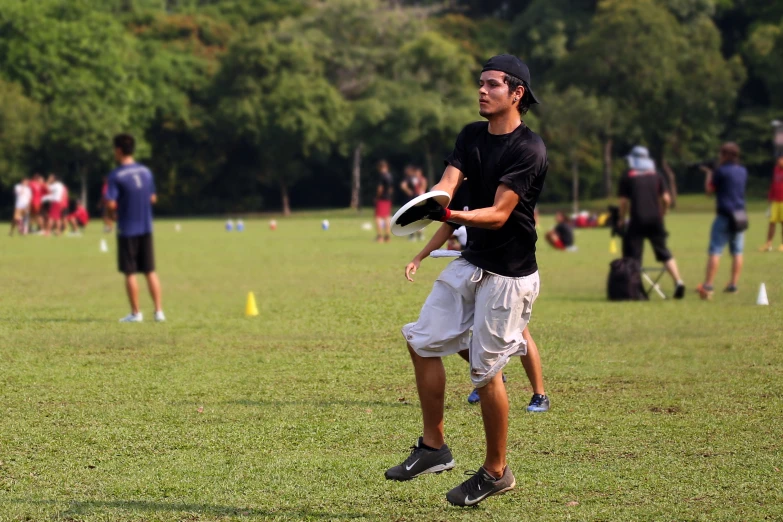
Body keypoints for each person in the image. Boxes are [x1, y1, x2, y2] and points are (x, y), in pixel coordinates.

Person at [385, 54, 547, 507]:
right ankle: (434, 447)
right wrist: (432, 207)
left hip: (510, 276)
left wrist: (451, 214)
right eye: (480, 83)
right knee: (421, 341)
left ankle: (497, 472)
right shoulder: (471, 136)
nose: (481, 90)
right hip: (472, 262)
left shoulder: (528, 149)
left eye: (492, 84)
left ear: (516, 94)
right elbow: (445, 186)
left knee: (486, 371)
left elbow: (497, 214)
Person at [405, 186, 550, 411]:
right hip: (475, 266)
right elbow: (447, 227)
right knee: (453, 329)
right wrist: (419, 257)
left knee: (522, 332)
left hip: (508, 271)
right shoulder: (464, 190)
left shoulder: (501, 186)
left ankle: (539, 394)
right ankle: (492, 377)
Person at [105, 134, 165, 323]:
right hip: (146, 227)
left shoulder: (116, 175)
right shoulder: (146, 172)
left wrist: (114, 213)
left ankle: (136, 313)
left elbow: (111, 203)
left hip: (127, 229)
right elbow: (153, 198)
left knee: (130, 272)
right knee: (150, 270)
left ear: (119, 150)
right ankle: (158, 312)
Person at [617, 146, 685, 299]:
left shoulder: (628, 175)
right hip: (656, 220)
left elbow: (623, 202)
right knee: (663, 251)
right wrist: (664, 211)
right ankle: (678, 281)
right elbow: (667, 199)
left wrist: (621, 219)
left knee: (633, 256)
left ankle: (636, 290)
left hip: (637, 220)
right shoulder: (657, 175)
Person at [696, 142, 748, 299]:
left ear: (725, 155)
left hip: (724, 215)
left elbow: (709, 190)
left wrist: (709, 173)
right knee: (737, 252)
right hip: (740, 215)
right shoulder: (742, 171)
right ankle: (733, 285)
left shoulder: (720, 171)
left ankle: (708, 285)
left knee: (715, 251)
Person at [760, 156, 783, 252]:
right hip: (775, 201)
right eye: (778, 160)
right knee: (772, 222)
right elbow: (773, 183)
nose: (779, 162)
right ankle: (768, 243)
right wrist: (770, 196)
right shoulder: (775, 169)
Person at [374, 160, 393, 243]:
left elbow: (380, 188)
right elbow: (391, 189)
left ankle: (380, 237)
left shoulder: (381, 176)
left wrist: (377, 197)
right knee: (387, 217)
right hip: (388, 198)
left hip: (382, 198)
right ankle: (387, 236)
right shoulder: (390, 176)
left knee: (378, 217)